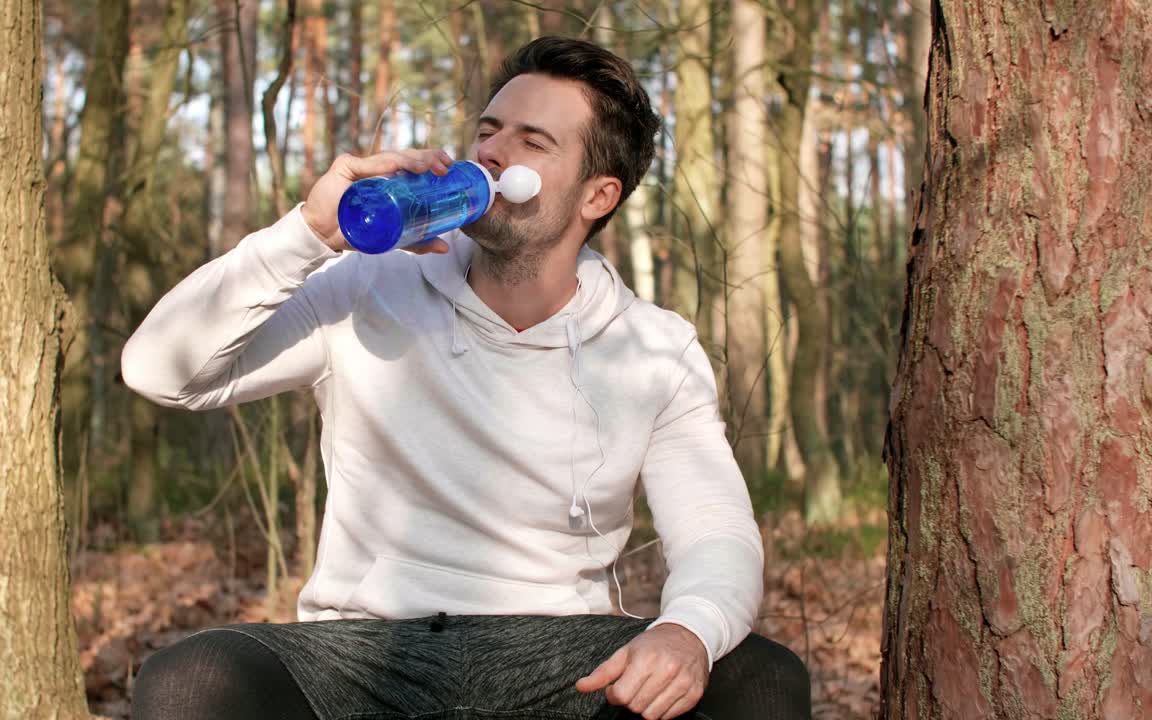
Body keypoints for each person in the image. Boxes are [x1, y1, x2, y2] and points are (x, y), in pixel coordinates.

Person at [122, 36, 810, 720]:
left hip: (562, 656)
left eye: (532, 141)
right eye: (488, 130)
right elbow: (161, 371)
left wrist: (687, 630)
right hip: (364, 651)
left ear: (598, 195)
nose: (492, 151)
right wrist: (308, 233)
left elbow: (716, 529)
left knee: (760, 678)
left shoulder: (654, 347)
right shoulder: (366, 284)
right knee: (193, 678)